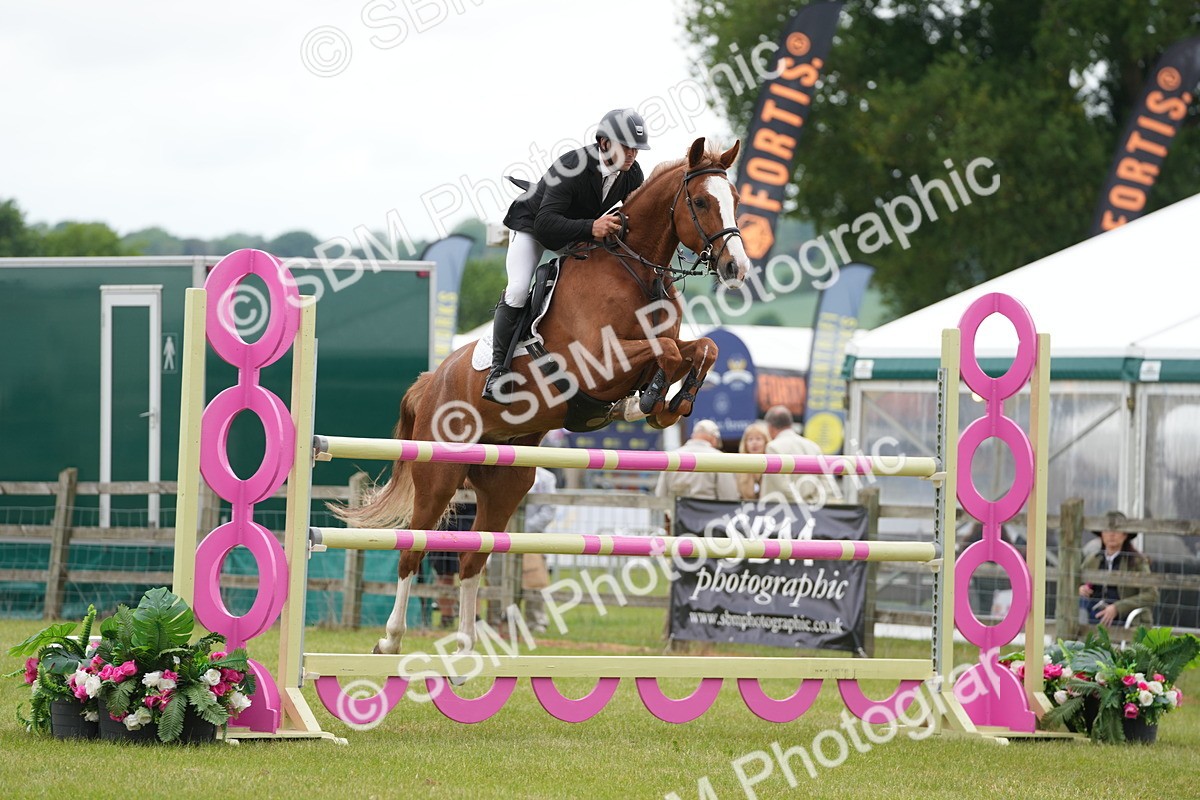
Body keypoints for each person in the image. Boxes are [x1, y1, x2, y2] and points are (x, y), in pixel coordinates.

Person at [483, 108, 651, 404]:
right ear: (603, 143)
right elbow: (546, 225)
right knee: (519, 288)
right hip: (534, 227)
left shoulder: (632, 175)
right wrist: (592, 227)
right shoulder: (572, 165)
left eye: (635, 149)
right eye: (626, 146)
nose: (632, 155)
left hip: (578, 234)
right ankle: (498, 370)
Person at [1078, 511, 1158, 627]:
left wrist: (1118, 608)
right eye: (1107, 530)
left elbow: (1151, 594)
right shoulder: (1092, 560)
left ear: (1125, 535)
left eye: (1117, 530)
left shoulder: (1137, 562)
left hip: (1124, 621)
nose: (1111, 534)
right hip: (1093, 619)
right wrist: (1081, 589)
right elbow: (1073, 584)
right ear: (1101, 534)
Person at [758, 405, 838, 507]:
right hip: (811, 509)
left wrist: (800, 502)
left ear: (770, 427)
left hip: (780, 510)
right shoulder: (813, 447)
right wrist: (814, 503)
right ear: (790, 424)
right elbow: (827, 482)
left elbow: (781, 484)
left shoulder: (773, 447)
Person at [655, 420, 740, 501]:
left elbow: (660, 495)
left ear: (693, 435)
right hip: (709, 514)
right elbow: (729, 497)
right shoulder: (720, 458)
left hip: (677, 513)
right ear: (714, 439)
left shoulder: (672, 456)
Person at [522, 466, 558, 632]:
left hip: (533, 536)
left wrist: (524, 528)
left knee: (535, 579)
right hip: (505, 532)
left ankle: (536, 621)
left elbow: (548, 510)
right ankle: (499, 620)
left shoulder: (547, 478)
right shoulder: (507, 470)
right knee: (498, 576)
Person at [735, 421, 771, 500]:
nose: (754, 443)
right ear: (745, 444)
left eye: (758, 439)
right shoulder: (738, 465)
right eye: (750, 439)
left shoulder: (773, 464)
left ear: (766, 442)